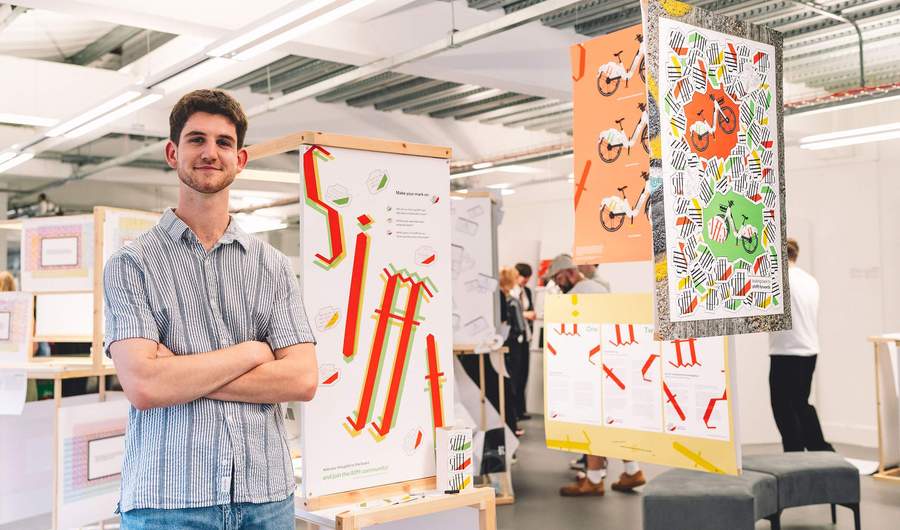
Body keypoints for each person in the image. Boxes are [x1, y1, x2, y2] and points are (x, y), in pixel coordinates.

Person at [105, 89, 318, 529]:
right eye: (195, 139)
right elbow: (145, 386)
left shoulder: (272, 266)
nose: (209, 152)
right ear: (172, 152)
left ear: (240, 159)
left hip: (267, 498)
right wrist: (254, 352)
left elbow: (301, 378)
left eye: (223, 142)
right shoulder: (133, 265)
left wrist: (178, 372)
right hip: (167, 502)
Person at [547, 254, 645, 497]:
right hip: (613, 363)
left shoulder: (574, 297)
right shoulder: (600, 289)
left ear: (569, 273)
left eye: (559, 279)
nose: (558, 284)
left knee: (591, 422)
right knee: (615, 420)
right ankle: (632, 471)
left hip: (590, 366)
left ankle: (593, 480)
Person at [768, 239, 834, 453]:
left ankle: (795, 452)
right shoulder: (810, 280)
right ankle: (820, 449)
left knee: (783, 406)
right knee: (800, 402)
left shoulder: (780, 279)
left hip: (786, 351)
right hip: (809, 349)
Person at [499, 266, 526, 436]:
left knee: (513, 382)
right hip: (509, 344)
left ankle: (512, 422)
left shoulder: (507, 297)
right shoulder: (505, 298)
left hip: (510, 344)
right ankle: (511, 425)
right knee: (510, 383)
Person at [513, 263, 536, 421]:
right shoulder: (510, 291)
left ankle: (521, 410)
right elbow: (512, 311)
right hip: (514, 338)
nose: (525, 282)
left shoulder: (526, 291)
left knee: (523, 374)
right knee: (514, 374)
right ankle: (513, 412)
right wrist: (524, 314)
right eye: (523, 279)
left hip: (526, 336)